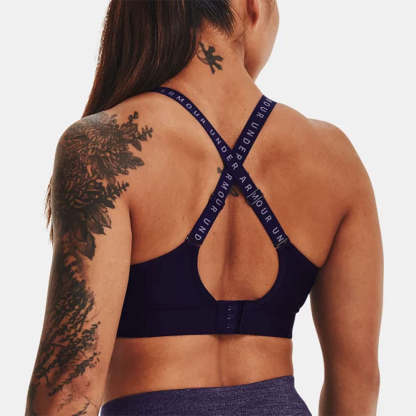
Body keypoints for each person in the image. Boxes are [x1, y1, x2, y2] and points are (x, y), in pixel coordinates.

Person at [25, 0, 383, 415]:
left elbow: (70, 388)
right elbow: (359, 382)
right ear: (252, 6)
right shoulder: (334, 157)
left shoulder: (105, 146)